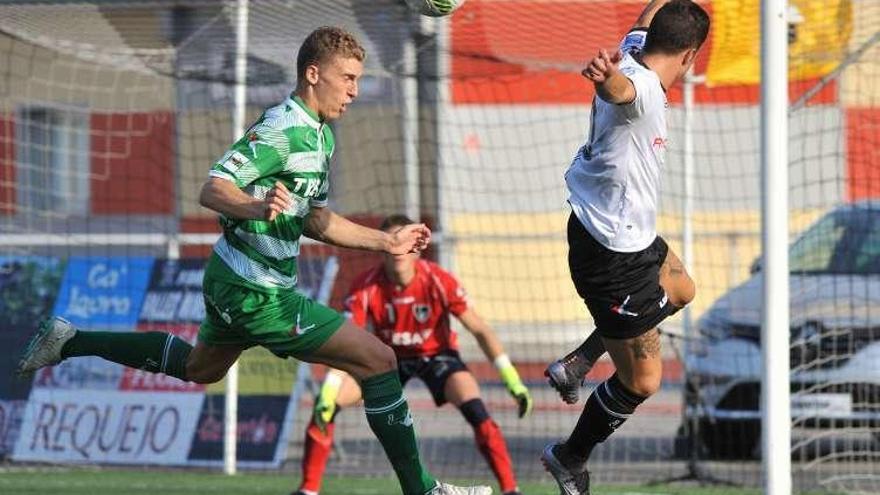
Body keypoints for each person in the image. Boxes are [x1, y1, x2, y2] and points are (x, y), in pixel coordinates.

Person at [16, 26, 491, 495]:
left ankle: (69, 341)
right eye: (346, 77)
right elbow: (214, 187)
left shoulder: (320, 137)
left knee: (200, 369)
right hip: (255, 291)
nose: (354, 90)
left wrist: (385, 243)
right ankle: (423, 490)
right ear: (312, 74)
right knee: (379, 359)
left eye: (358, 79)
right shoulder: (282, 129)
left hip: (246, 283)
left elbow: (317, 220)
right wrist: (254, 206)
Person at [540, 2, 709, 494]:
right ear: (691, 55)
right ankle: (570, 457)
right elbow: (623, 93)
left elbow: (641, 23)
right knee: (642, 382)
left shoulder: (636, 50)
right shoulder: (645, 90)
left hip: (624, 236)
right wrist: (602, 80)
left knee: (680, 288)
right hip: (613, 253)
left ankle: (578, 362)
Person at [292, 214, 532, 495]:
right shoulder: (366, 286)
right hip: (386, 361)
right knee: (327, 405)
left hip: (438, 356)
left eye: (404, 243)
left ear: (416, 249)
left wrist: (511, 379)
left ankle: (510, 489)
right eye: (391, 243)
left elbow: (480, 329)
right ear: (382, 249)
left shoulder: (438, 280)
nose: (398, 252)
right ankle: (308, 490)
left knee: (478, 411)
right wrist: (330, 390)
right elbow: (344, 343)